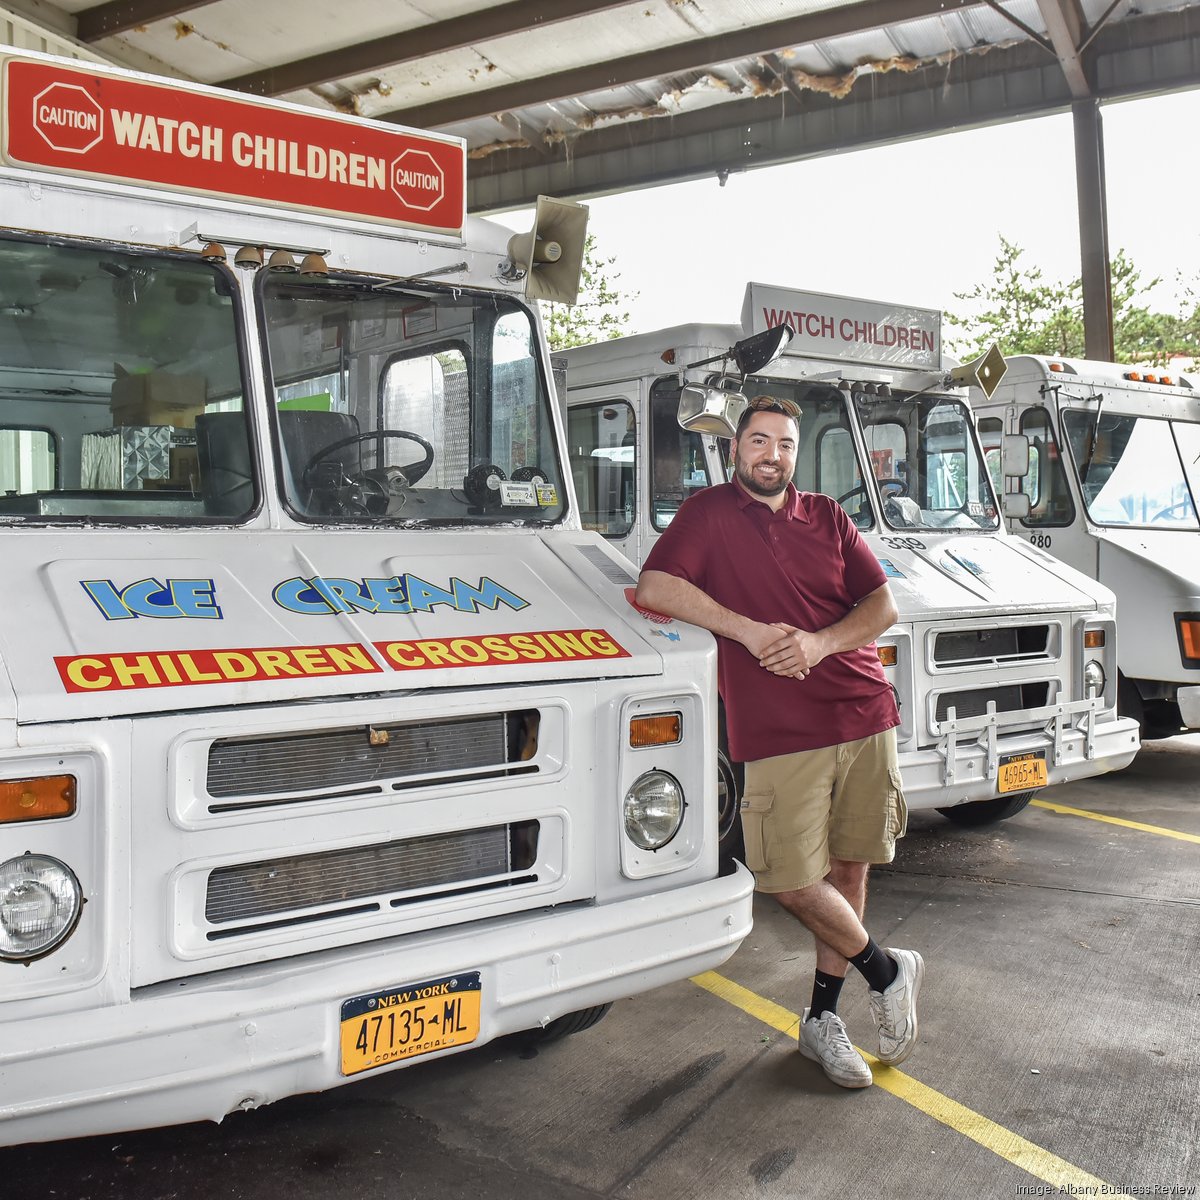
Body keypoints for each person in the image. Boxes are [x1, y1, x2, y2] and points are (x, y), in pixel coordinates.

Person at [635, 395, 923, 1090]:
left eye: (786, 444)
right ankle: (887, 970)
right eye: (759, 441)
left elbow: (881, 604)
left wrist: (821, 644)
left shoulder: (826, 516)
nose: (773, 455)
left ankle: (823, 1020)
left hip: (862, 710)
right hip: (780, 730)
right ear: (736, 449)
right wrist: (751, 632)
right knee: (790, 879)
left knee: (851, 870)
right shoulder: (707, 515)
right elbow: (656, 586)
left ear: (798, 452)